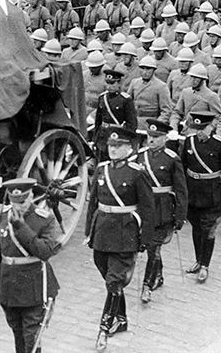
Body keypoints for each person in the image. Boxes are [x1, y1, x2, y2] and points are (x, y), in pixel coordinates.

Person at [85, 126, 155, 350]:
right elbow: (93, 203)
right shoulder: (102, 169)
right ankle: (122, 319)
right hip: (102, 233)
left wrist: (145, 240)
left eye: (118, 146)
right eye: (110, 146)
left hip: (125, 235)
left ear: (129, 148)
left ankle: (104, 329)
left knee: (114, 282)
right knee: (109, 279)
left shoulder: (137, 173)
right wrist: (89, 232)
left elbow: (148, 208)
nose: (113, 150)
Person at [0, 179, 61, 353]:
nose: (18, 206)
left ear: (31, 196)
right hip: (9, 288)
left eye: (22, 202)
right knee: (18, 334)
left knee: (31, 339)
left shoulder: (45, 219)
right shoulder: (4, 215)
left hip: (34, 289)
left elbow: (45, 252)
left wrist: (21, 227)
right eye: (14, 202)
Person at [137, 119, 186, 302]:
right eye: (149, 136)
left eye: (156, 137)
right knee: (152, 248)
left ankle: (147, 286)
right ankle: (158, 275)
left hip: (162, 208)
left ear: (165, 138)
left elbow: (181, 189)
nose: (151, 140)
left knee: (154, 247)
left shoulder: (172, 159)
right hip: (144, 208)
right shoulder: (140, 156)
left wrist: (180, 216)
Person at [181, 111, 221, 283]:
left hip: (212, 194)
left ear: (212, 126)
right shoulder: (189, 141)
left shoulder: (220, 144)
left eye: (203, 128)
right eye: (197, 129)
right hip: (193, 192)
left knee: (208, 229)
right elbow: (183, 167)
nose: (200, 132)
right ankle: (198, 260)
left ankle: (205, 265)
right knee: (196, 227)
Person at [92, 68, 138, 161]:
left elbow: (132, 124)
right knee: (102, 162)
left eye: (112, 83)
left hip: (117, 136)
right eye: (107, 83)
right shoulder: (102, 98)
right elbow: (98, 121)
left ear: (119, 84)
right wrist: (95, 139)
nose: (109, 86)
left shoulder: (125, 100)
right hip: (103, 137)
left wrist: (126, 140)